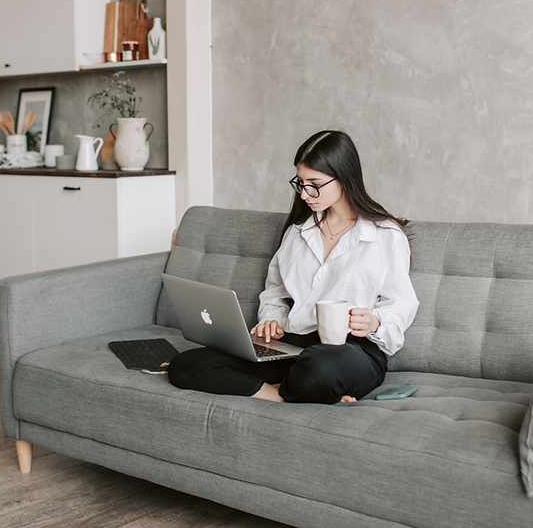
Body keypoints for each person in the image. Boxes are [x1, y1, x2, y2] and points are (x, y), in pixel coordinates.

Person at [168, 130, 419, 404]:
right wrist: (270, 321)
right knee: (187, 364)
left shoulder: (384, 235)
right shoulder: (299, 232)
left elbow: (401, 305)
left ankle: (299, 386)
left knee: (319, 367)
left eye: (314, 183)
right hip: (292, 345)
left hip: (350, 350)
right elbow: (275, 294)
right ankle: (279, 394)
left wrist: (374, 321)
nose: (304, 194)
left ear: (344, 177)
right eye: (300, 183)